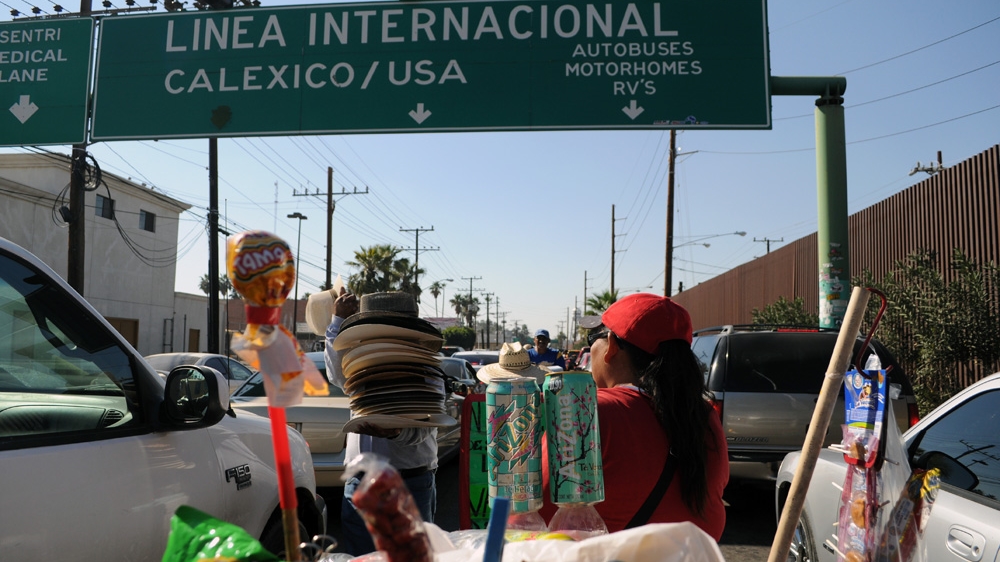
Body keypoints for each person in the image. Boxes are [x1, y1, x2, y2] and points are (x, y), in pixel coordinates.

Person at [539, 293, 729, 540]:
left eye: (592, 339)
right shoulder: (705, 417)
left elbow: (533, 514)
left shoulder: (587, 411)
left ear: (612, 346)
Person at [322, 289, 439, 556]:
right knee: (363, 557)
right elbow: (336, 373)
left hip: (411, 481)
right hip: (362, 481)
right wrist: (337, 322)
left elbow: (428, 422)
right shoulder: (359, 365)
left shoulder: (427, 371)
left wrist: (398, 431)